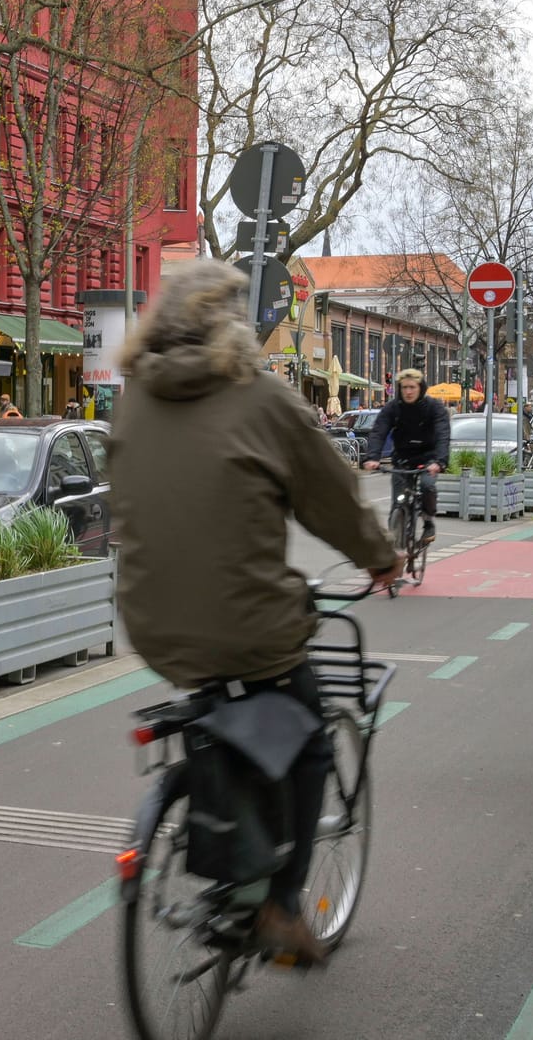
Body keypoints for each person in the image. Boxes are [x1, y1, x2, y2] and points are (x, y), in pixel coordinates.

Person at [111, 259, 402, 966]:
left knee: (222, 698)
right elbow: (329, 491)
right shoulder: (260, 396)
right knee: (304, 737)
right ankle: (280, 903)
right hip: (245, 624)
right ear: (233, 323)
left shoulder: (133, 397)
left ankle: (227, 851)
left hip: (149, 620)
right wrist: (379, 557)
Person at [362, 368, 451, 544]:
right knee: (398, 502)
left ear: (420, 388)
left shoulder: (434, 407)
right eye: (404, 388)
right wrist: (372, 457)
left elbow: (443, 434)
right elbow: (379, 431)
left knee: (427, 486)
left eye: (412, 387)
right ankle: (395, 541)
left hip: (428, 459)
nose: (408, 392)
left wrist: (440, 461)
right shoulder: (393, 408)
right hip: (402, 459)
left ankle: (428, 522)